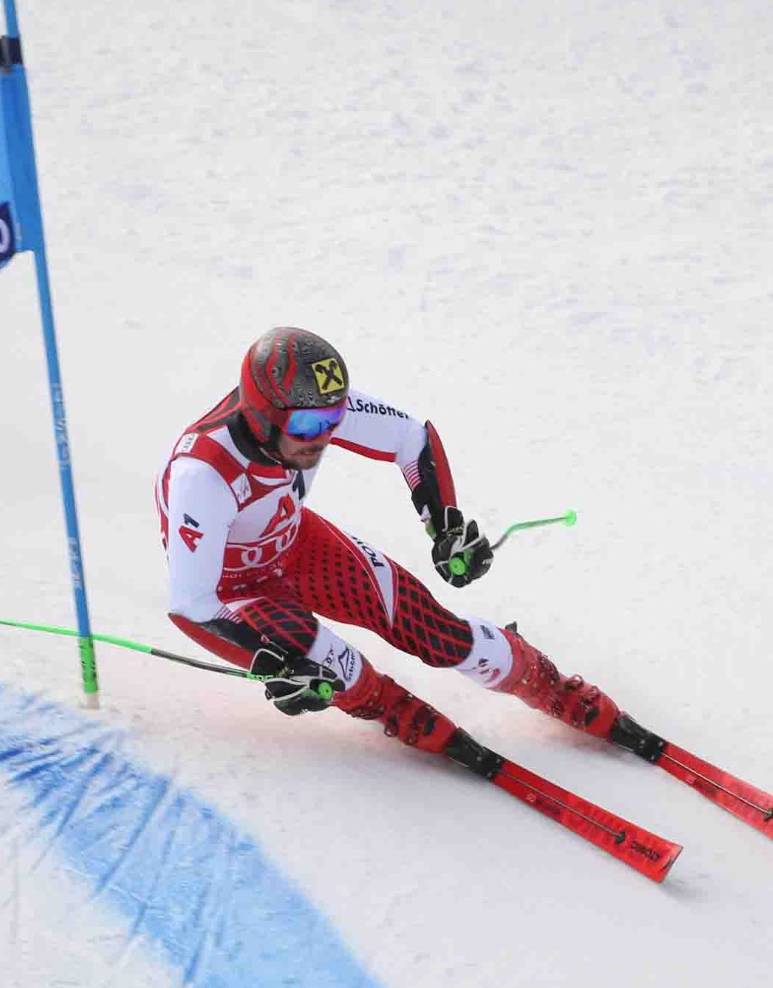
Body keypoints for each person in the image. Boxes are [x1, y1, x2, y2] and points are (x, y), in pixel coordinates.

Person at [155, 326, 660, 766]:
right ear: (262, 416)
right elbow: (192, 605)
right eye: (309, 427)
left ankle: (548, 684)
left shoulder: (306, 410)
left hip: (298, 545)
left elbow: (410, 438)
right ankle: (390, 708)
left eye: (333, 421)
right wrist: (273, 663)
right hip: (237, 593)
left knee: (438, 636)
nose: (322, 437)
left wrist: (444, 525)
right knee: (334, 669)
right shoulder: (202, 475)